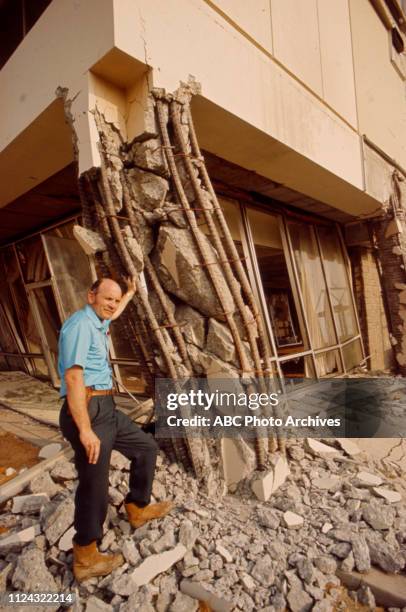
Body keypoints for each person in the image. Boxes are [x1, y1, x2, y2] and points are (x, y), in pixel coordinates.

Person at [58, 277, 172, 582]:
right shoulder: (80, 326)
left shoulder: (98, 320)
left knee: (146, 448)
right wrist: (84, 430)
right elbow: (73, 379)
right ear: (90, 295)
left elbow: (115, 311)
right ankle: (85, 554)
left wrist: (130, 294)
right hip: (87, 408)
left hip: (106, 408)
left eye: (115, 299)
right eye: (107, 298)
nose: (111, 304)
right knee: (95, 481)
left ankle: (136, 507)